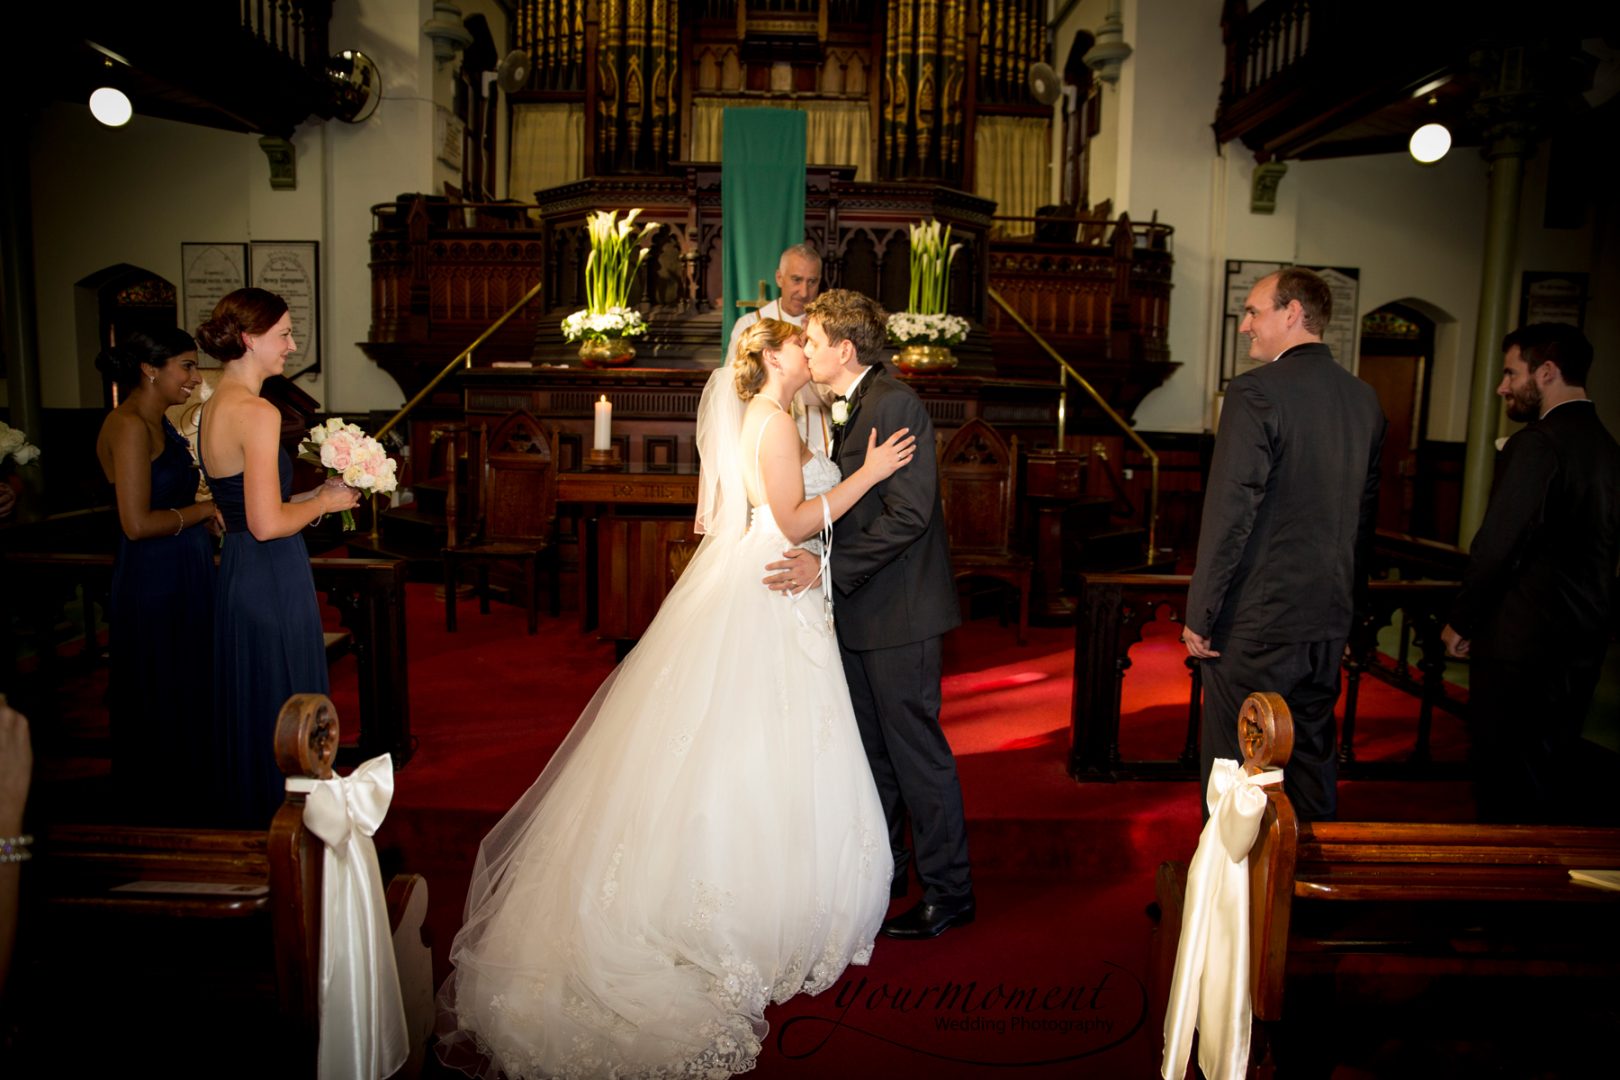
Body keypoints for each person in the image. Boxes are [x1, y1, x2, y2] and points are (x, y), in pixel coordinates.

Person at [436, 318, 918, 1079]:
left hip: (764, 572)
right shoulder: (773, 425)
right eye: (799, 343)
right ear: (771, 356)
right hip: (772, 578)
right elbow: (792, 518)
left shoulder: (772, 417)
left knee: (754, 732)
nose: (808, 353)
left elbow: (714, 512)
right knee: (757, 735)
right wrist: (870, 474)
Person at [765, 289, 975, 940]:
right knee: (874, 758)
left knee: (918, 759)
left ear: (844, 349)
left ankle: (951, 894)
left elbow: (909, 516)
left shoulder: (897, 402)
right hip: (861, 611)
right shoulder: (854, 404)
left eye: (814, 340)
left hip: (901, 616)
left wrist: (826, 569)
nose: (806, 348)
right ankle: (887, 874)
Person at [1183, 267, 1385, 823]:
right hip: (1325, 623)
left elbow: (1232, 511)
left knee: (1235, 772)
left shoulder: (1255, 392)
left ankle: (1226, 909)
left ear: (1292, 313)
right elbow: (1362, 526)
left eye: (1254, 312)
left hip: (1257, 623)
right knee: (1311, 764)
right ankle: (1305, 896)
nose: (1245, 325)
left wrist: (1201, 612)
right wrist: (1351, 616)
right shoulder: (1363, 400)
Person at [1441, 323, 1620, 823]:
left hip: (1521, 644)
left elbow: (1497, 545)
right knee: (1552, 770)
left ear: (1546, 372)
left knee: (1504, 779)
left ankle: (1505, 885)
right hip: (1581, 643)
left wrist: (1464, 620)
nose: (1502, 386)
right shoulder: (1608, 448)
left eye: (1509, 372)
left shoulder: (1538, 444)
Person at [195, 289, 357, 826]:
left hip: (241, 573)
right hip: (272, 577)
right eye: (283, 334)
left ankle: (252, 828)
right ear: (249, 339)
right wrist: (328, 502)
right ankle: (292, 841)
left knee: (254, 707)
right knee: (288, 708)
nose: (291, 345)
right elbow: (267, 526)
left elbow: (247, 512)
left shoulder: (214, 406)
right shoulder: (258, 412)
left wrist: (314, 497)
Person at [94, 329, 218, 818]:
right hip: (155, 578)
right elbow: (137, 522)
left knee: (189, 685)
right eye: (186, 366)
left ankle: (192, 796)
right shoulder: (127, 425)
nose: (194, 377)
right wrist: (205, 511)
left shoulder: (159, 422)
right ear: (150, 368)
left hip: (182, 567)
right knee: (162, 689)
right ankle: (161, 811)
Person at [726, 243, 834, 453]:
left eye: (812, 282)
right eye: (796, 280)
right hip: (765, 437)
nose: (804, 292)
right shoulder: (750, 325)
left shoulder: (830, 328)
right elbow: (736, 388)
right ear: (779, 278)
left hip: (820, 439)